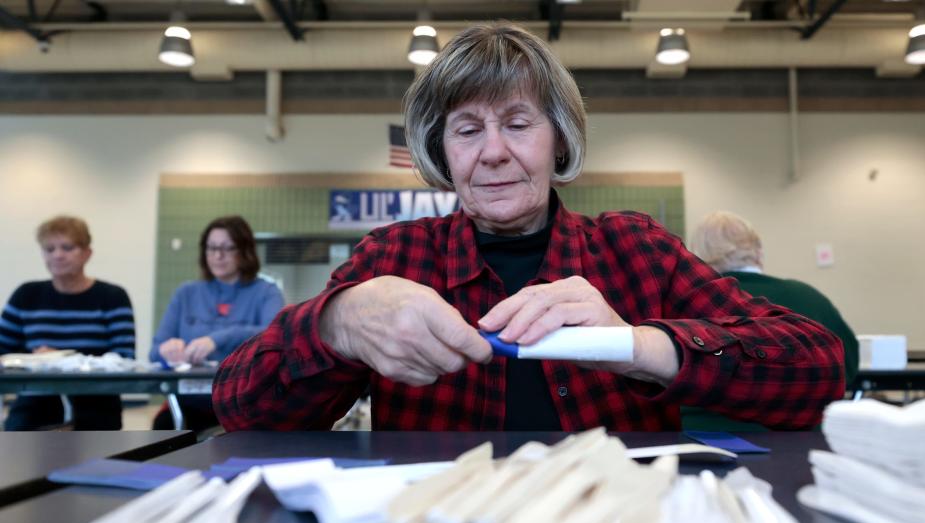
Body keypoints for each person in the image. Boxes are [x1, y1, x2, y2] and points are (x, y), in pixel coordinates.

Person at [213, 23, 845, 432]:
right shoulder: (393, 257)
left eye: (517, 124)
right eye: (467, 130)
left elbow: (820, 371)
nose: (492, 152)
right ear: (444, 152)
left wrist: (634, 344)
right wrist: (336, 325)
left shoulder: (634, 249)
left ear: (558, 140)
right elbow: (238, 407)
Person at [690, 210, 859, 387]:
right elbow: (846, 364)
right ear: (758, 252)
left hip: (701, 414)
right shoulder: (809, 298)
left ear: (697, 256)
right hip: (799, 412)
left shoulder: (688, 304)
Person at [0, 216, 135, 430]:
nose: (58, 255)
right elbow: (4, 350)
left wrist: (61, 360)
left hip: (96, 403)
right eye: (49, 249)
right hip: (35, 401)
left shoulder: (112, 297)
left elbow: (124, 358)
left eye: (67, 247)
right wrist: (30, 362)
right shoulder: (26, 294)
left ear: (87, 253)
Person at [149, 215, 284, 430]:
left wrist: (217, 340)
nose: (218, 256)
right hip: (189, 403)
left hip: (245, 402)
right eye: (211, 248)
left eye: (227, 248)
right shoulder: (186, 293)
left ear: (245, 251)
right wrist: (167, 350)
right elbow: (154, 352)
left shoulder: (267, 292)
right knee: (163, 429)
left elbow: (275, 337)